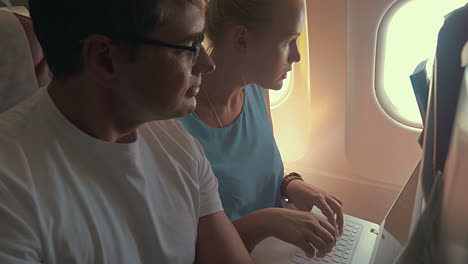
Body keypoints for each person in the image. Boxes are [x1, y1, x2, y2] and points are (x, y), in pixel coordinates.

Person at [0, 0, 254, 263]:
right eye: (190, 47)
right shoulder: (11, 187)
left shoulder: (176, 143)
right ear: (105, 59)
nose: (206, 63)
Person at [178, 0, 344, 258]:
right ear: (242, 39)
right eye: (288, 41)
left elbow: (254, 175)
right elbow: (189, 252)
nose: (297, 56)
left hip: (277, 247)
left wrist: (290, 184)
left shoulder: (256, 89)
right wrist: (266, 222)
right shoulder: (175, 124)